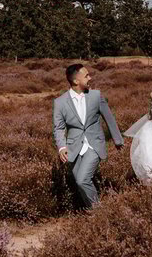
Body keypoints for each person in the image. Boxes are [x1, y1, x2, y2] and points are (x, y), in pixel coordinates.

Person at [52, 63, 123, 209]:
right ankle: (92, 212)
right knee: (81, 182)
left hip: (94, 144)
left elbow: (109, 118)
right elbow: (58, 128)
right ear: (76, 81)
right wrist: (61, 147)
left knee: (82, 180)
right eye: (86, 75)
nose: (90, 78)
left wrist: (118, 140)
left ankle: (99, 212)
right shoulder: (59, 102)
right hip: (73, 148)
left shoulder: (96, 96)